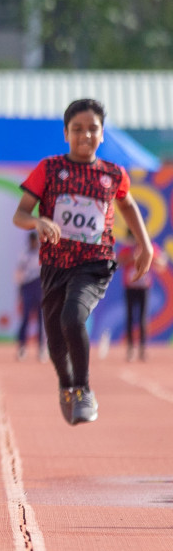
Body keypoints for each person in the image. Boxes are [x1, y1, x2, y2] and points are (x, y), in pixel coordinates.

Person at [13, 99, 153, 424]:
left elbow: (128, 206)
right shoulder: (48, 169)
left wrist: (145, 243)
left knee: (73, 316)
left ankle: (84, 389)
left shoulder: (113, 174)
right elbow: (20, 214)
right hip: (54, 265)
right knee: (55, 338)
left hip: (94, 262)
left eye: (93, 129)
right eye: (78, 129)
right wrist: (37, 222)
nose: (85, 135)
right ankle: (66, 383)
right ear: (66, 133)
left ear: (102, 134)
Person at [118, 238, 164, 361]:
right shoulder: (127, 248)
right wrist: (132, 257)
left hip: (144, 288)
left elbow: (162, 264)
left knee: (143, 318)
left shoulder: (150, 247)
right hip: (130, 287)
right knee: (130, 317)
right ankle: (130, 348)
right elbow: (118, 262)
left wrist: (151, 258)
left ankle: (142, 348)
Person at [16, 231, 43, 362]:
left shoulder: (41, 254)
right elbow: (19, 273)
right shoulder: (24, 255)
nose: (33, 243)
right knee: (25, 319)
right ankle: (22, 347)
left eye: (35, 241)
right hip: (27, 287)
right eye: (32, 241)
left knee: (41, 320)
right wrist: (20, 292)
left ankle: (42, 348)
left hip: (39, 287)